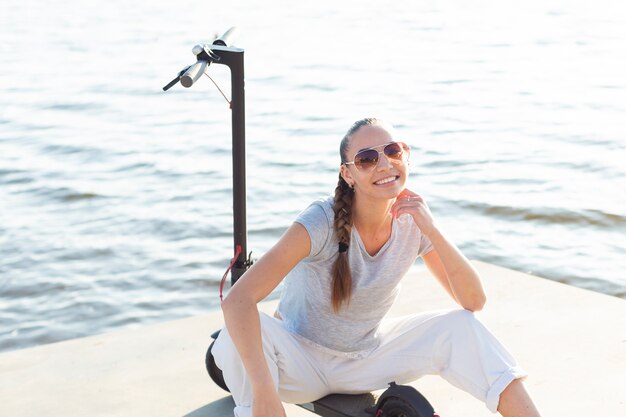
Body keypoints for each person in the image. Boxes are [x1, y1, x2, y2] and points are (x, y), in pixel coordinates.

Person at [212, 118, 542, 417]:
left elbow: (474, 301)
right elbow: (238, 300)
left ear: (405, 156)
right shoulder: (320, 221)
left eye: (393, 151)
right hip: (298, 363)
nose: (384, 163)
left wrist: (432, 228)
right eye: (367, 159)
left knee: (461, 326)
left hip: (363, 360)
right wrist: (265, 395)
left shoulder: (413, 219)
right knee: (232, 337)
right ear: (348, 174)